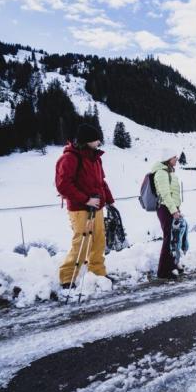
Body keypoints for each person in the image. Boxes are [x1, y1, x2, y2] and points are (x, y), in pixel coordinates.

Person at [55, 123, 115, 289]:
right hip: (80, 208)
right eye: (96, 140)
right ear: (86, 141)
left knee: (99, 241)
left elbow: (101, 182)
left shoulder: (95, 157)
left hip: (97, 207)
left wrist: (109, 201)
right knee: (82, 242)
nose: (99, 142)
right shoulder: (70, 158)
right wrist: (86, 199)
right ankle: (67, 277)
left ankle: (97, 273)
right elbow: (63, 185)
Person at [151, 147, 184, 279]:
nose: (177, 159)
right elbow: (165, 194)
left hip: (171, 208)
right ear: (168, 159)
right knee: (168, 239)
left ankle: (171, 265)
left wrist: (176, 209)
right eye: (174, 157)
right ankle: (163, 271)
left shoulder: (168, 172)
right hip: (165, 209)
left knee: (173, 239)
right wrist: (174, 210)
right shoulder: (161, 173)